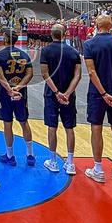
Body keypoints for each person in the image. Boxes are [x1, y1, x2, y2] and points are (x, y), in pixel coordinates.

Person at [82, 15, 112, 183]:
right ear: (111, 25)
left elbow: (91, 72)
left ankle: (98, 169)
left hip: (98, 94)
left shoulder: (89, 44)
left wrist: (103, 93)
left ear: (96, 25)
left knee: (96, 128)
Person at [39, 23, 81, 175]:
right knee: (69, 128)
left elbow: (45, 74)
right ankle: (70, 163)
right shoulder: (74, 52)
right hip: (68, 95)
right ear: (65, 34)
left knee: (52, 126)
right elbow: (78, 75)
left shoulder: (46, 51)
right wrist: (68, 93)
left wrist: (56, 92)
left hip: (52, 94)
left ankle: (53, 161)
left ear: (51, 34)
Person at [0, 29, 35, 166]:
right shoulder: (24, 55)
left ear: (5, 39)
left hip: (6, 94)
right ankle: (30, 155)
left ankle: (10, 156)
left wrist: (10, 90)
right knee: (24, 122)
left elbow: (1, 77)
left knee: (7, 123)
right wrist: (19, 87)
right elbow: (30, 74)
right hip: (21, 94)